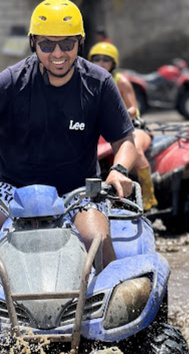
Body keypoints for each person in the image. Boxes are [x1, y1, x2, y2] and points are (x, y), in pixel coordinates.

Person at [0, 0, 136, 268]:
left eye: (67, 44)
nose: (57, 53)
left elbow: (125, 141)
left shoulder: (99, 83)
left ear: (80, 42)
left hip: (77, 191)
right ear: (33, 44)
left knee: (95, 238)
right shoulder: (11, 82)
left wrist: (119, 169)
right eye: (47, 45)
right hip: (12, 189)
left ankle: (109, 304)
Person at [88, 41, 157, 211]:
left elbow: (134, 109)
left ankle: (149, 198)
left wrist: (116, 116)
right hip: (103, 129)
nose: (101, 63)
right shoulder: (89, 81)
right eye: (96, 59)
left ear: (113, 63)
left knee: (135, 150)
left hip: (131, 127)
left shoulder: (121, 81)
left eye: (106, 59)